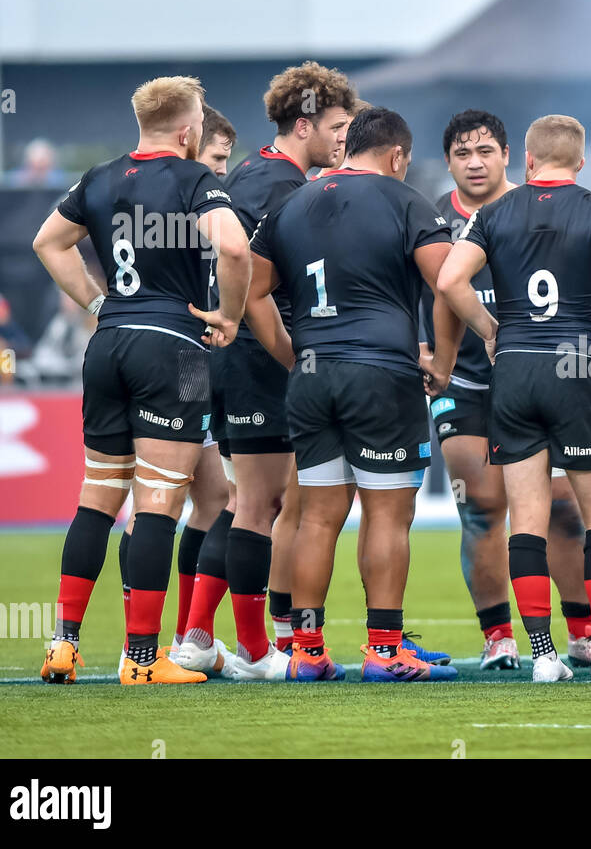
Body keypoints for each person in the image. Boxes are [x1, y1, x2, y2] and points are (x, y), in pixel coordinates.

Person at [32, 75, 250, 684]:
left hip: (107, 346)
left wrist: (97, 304)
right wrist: (229, 316)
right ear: (187, 131)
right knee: (157, 500)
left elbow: (48, 242)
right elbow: (234, 250)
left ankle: (63, 645)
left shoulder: (100, 177)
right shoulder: (195, 180)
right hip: (173, 348)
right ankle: (142, 661)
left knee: (97, 494)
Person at [241, 106, 458, 681]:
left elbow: (253, 292)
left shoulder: (290, 203)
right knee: (387, 515)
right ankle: (385, 653)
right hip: (381, 375)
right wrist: (443, 360)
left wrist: (293, 356)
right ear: (396, 156)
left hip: (312, 379)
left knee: (317, 516)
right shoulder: (406, 201)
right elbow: (448, 284)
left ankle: (306, 653)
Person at [438, 114, 591, 682]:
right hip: (577, 367)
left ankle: (542, 656)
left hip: (513, 373)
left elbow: (449, 282)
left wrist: (489, 331)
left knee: (526, 521)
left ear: (526, 161)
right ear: (580, 162)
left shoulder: (492, 214)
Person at [175, 62, 357, 677]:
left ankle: (203, 636)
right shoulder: (282, 187)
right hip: (254, 357)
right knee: (257, 503)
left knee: (248, 500)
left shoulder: (255, 172)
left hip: (232, 356)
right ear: (302, 124)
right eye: (337, 127)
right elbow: (253, 282)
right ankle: (249, 650)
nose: (343, 139)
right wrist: (292, 355)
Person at [425, 110, 591, 671]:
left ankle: (582, 632)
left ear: (510, 157)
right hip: (468, 384)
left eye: (485, 152)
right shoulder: (431, 223)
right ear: (448, 161)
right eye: (461, 154)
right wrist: (440, 360)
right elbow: (432, 293)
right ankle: (499, 636)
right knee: (483, 505)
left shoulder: (544, 205)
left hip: (540, 376)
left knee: (564, 512)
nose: (474, 163)